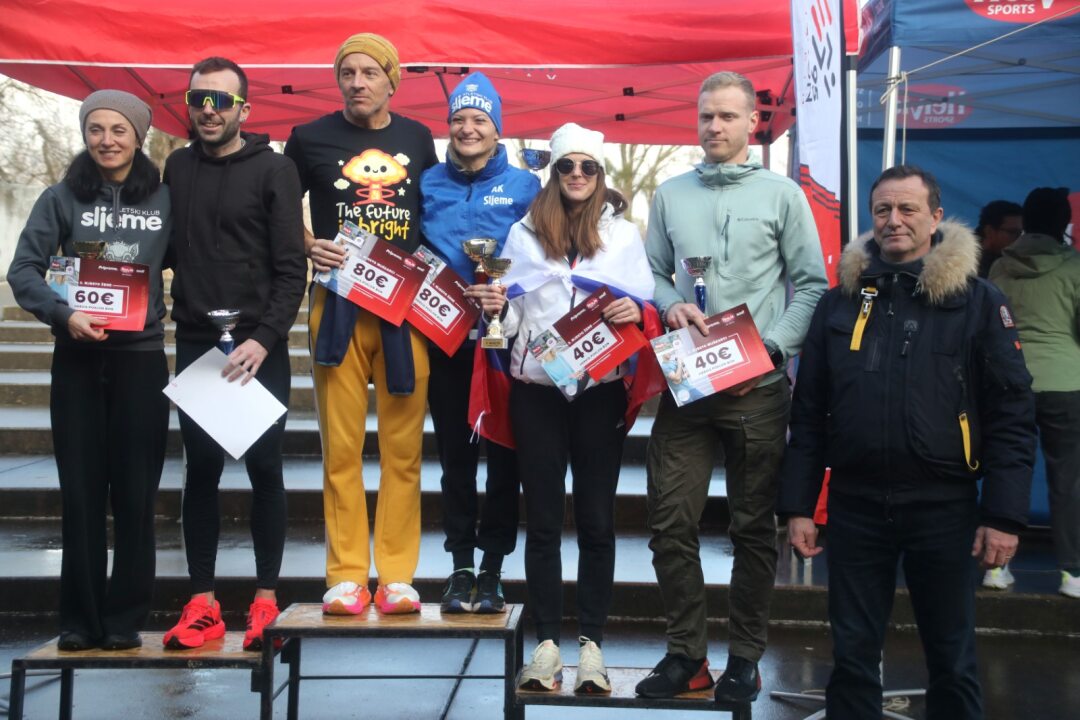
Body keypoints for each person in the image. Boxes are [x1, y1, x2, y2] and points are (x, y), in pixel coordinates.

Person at [778, 165, 1036, 719]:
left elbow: (1012, 414)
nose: (893, 220)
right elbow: (810, 412)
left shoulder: (977, 301)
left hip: (943, 506)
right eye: (883, 210)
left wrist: (1004, 515)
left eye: (908, 209)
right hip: (856, 506)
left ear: (935, 217)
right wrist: (798, 506)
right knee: (852, 659)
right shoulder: (839, 303)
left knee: (952, 659)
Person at [636, 71, 828, 702]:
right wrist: (669, 305)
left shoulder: (782, 194)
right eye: (705, 116)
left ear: (752, 122)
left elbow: (811, 284)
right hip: (689, 385)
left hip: (758, 391)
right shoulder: (670, 194)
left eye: (726, 116)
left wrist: (770, 352)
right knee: (669, 522)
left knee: (751, 529)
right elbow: (653, 274)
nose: (714, 127)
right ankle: (686, 656)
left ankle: (744, 658)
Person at [473, 122, 654, 694]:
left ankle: (592, 646)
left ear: (600, 174)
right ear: (553, 173)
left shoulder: (623, 236)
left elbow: (645, 302)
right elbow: (508, 319)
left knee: (598, 522)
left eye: (588, 166)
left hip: (600, 392)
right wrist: (495, 306)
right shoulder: (523, 234)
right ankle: (547, 646)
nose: (577, 174)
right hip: (538, 392)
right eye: (567, 166)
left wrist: (634, 311)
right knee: (545, 522)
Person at [8, 90, 170, 650]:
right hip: (77, 359)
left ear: (139, 136)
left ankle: (125, 618)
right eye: (95, 129)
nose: (106, 140)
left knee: (135, 494)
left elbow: (203, 257)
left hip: (141, 360)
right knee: (79, 494)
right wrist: (63, 314)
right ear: (84, 134)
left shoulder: (165, 199)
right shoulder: (60, 197)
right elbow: (23, 270)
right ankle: (79, 619)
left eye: (118, 129)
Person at [284, 33, 438, 615]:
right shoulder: (308, 138)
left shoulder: (418, 138)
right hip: (337, 306)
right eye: (347, 73)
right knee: (341, 448)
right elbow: (276, 205)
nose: (357, 83)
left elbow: (436, 210)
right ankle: (347, 575)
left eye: (370, 72)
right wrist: (308, 243)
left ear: (391, 80)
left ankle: (397, 576)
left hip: (404, 309)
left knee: (404, 449)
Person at [162, 57, 306, 651]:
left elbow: (291, 268)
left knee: (266, 470)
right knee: (200, 470)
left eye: (221, 100)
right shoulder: (176, 166)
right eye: (199, 99)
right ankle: (202, 603)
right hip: (197, 341)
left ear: (244, 109)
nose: (208, 110)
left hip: (257, 347)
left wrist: (264, 338)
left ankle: (266, 602)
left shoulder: (276, 169)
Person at [419, 72, 540, 613]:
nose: (468, 129)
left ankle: (492, 568)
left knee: (505, 457)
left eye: (479, 120)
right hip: (446, 338)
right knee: (455, 458)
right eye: (459, 120)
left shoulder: (525, 186)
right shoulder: (427, 182)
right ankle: (460, 566)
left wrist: (505, 295)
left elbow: (543, 256)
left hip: (504, 341)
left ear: (497, 129)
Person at [989, 187, 1080, 598]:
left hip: (1011, 382)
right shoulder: (1075, 266)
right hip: (1066, 383)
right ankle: (1072, 573)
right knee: (1069, 480)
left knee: (1007, 470)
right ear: (1064, 223)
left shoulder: (1000, 267)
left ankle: (996, 568)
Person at [975, 200, 1023, 278]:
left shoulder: (1015, 265)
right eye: (1012, 232)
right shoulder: (962, 261)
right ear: (989, 231)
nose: (1019, 238)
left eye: (1021, 233)